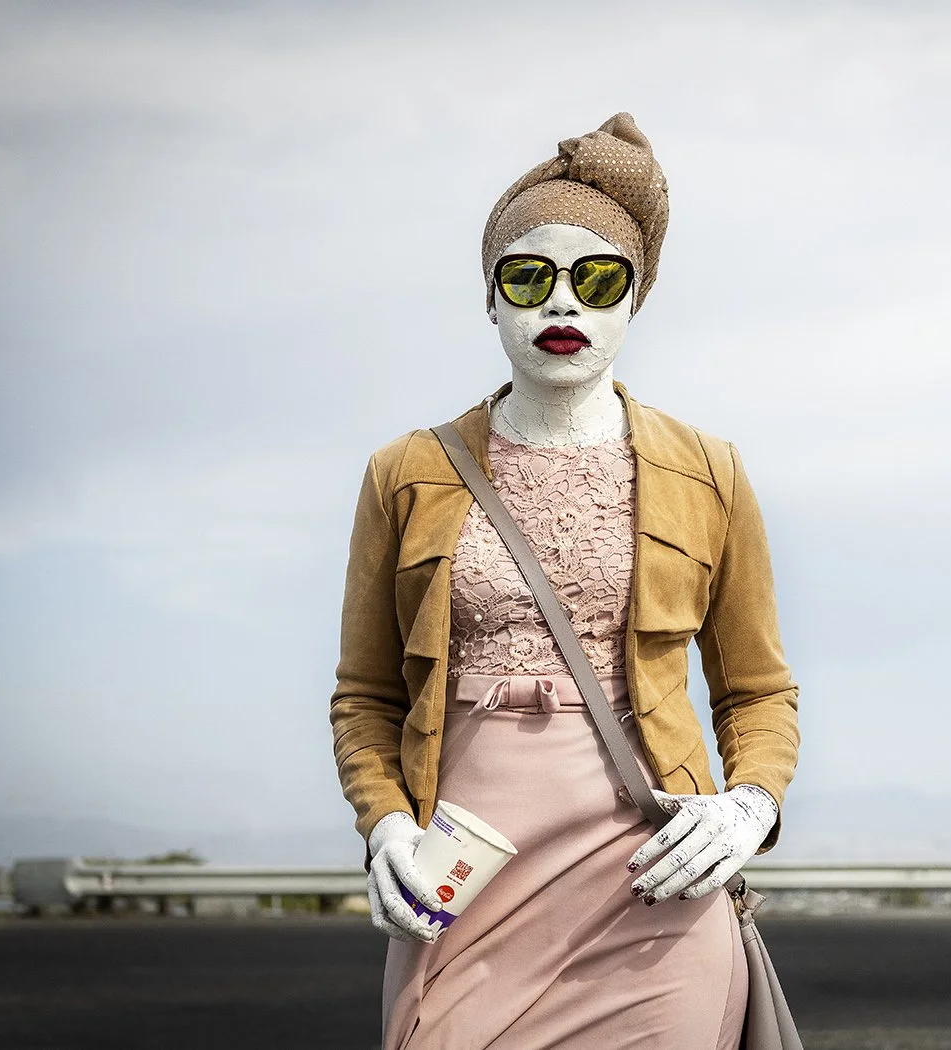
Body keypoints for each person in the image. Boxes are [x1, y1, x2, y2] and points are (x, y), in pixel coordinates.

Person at [329, 112, 800, 1050]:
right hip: (464, 872)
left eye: (596, 280)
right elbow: (366, 695)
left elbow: (757, 690)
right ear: (491, 300)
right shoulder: (406, 472)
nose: (562, 306)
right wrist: (384, 827)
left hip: (652, 874)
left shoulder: (710, 469)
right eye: (527, 277)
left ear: (634, 300)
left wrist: (750, 806)